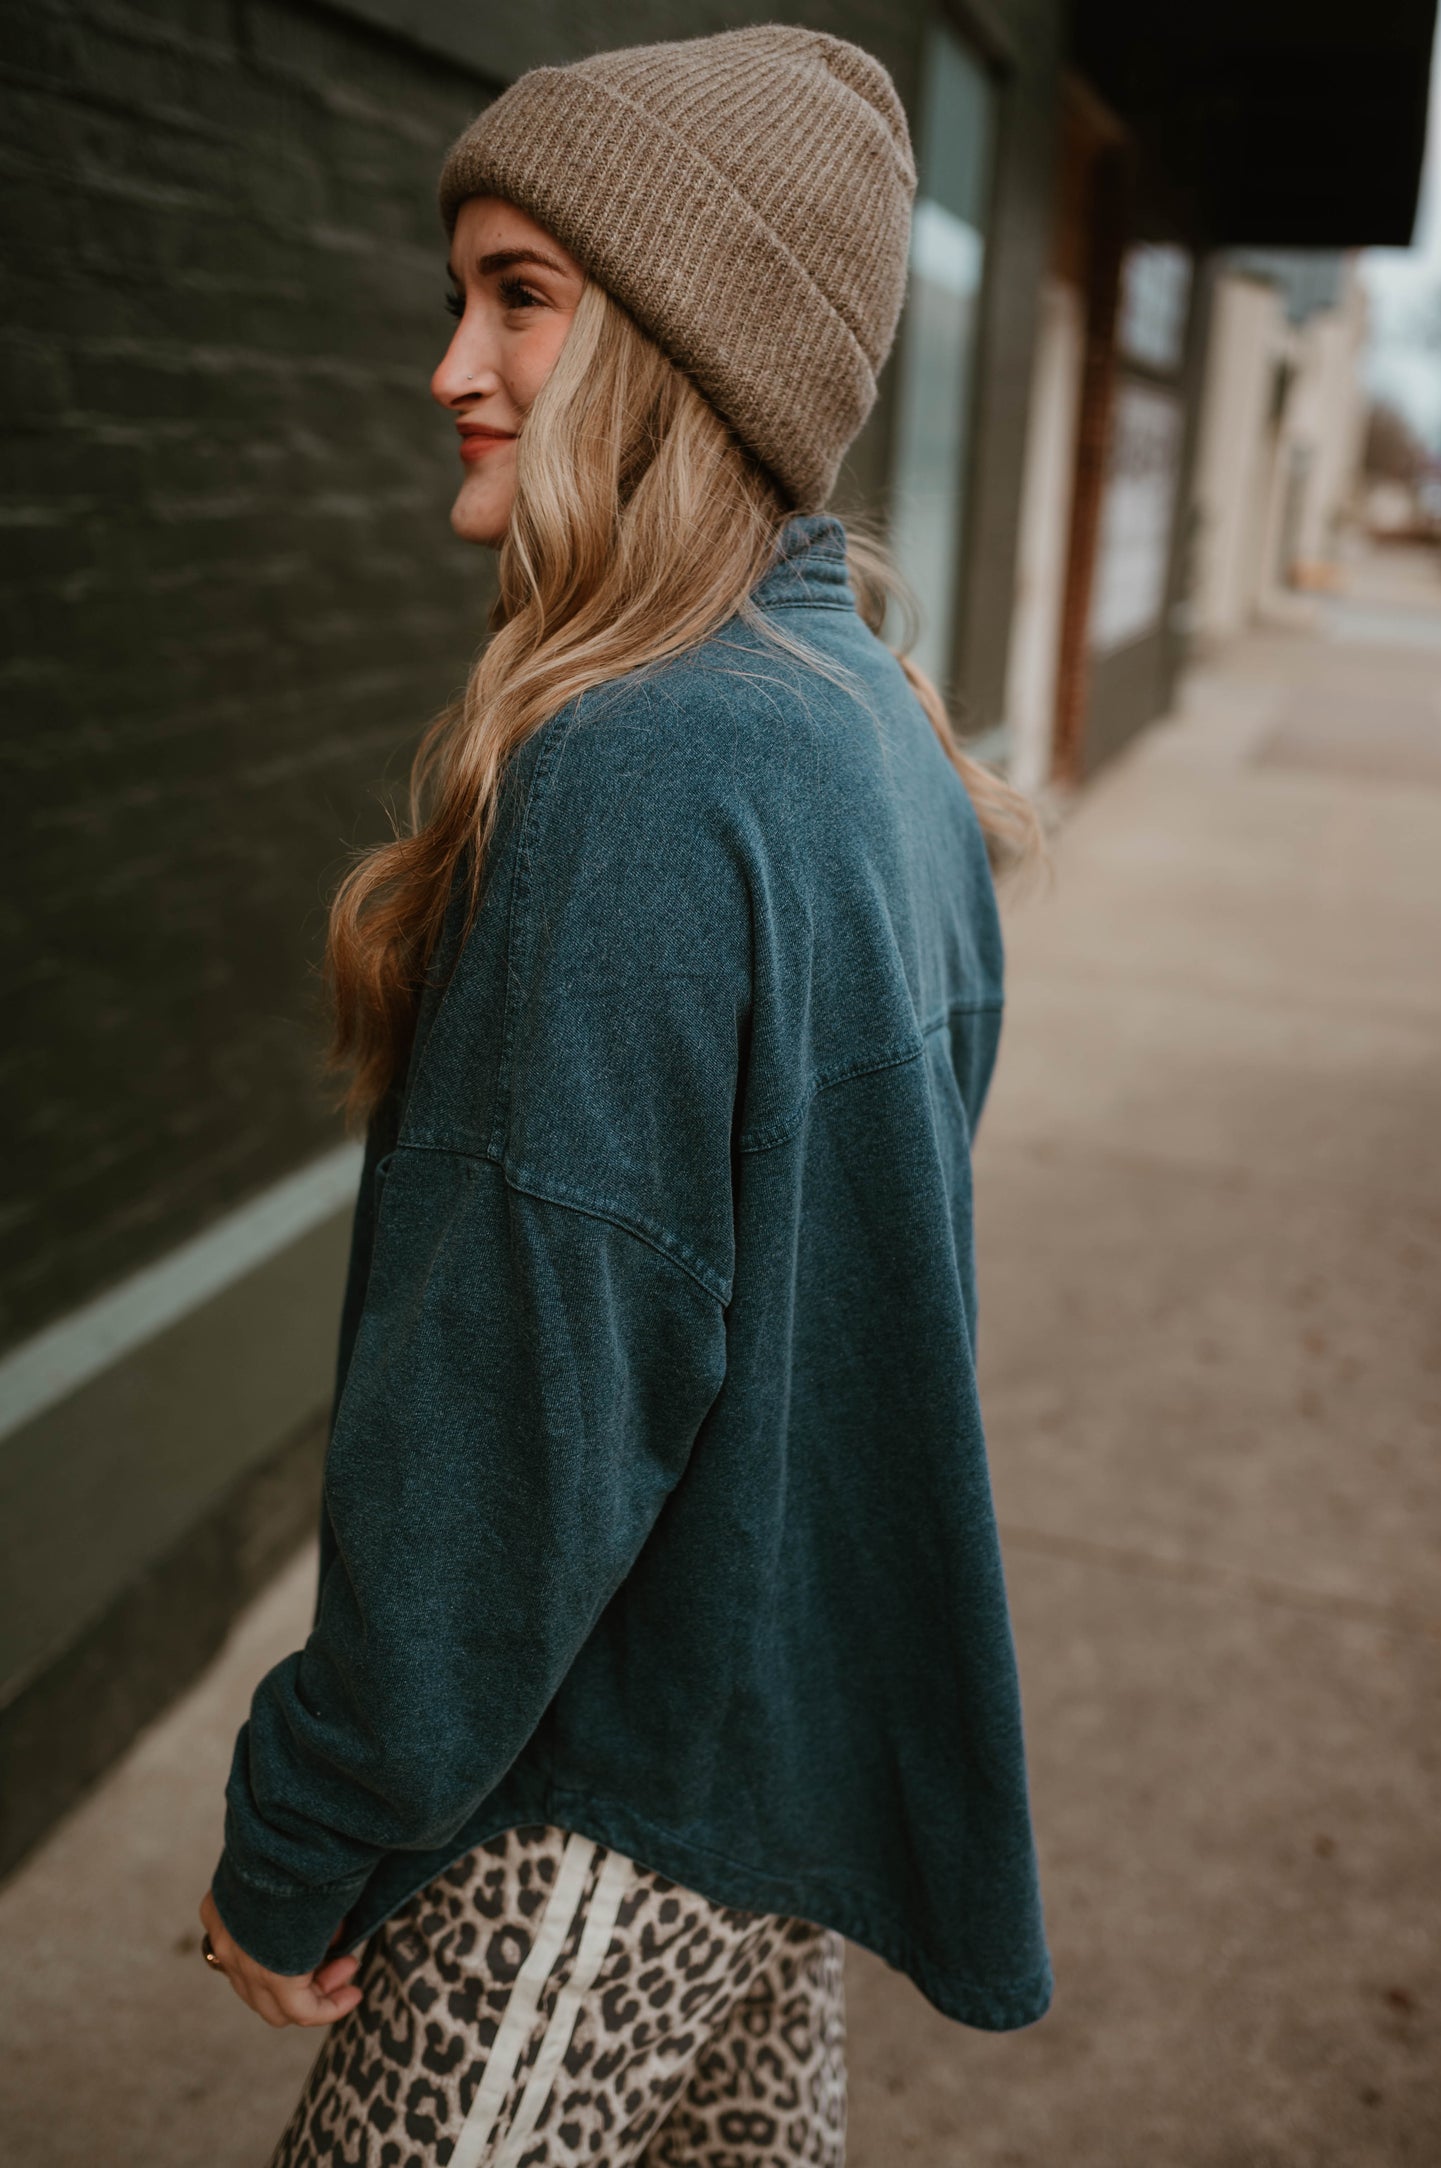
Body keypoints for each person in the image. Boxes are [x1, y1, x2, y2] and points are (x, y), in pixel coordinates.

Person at [197, 25, 1052, 2166]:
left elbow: (523, 1397)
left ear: (689, 347)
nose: (450, 363)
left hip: (597, 1802)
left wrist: (311, 1816)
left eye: (518, 295)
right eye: (460, 292)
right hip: (775, 1781)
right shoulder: (872, 734)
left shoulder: (638, 772)